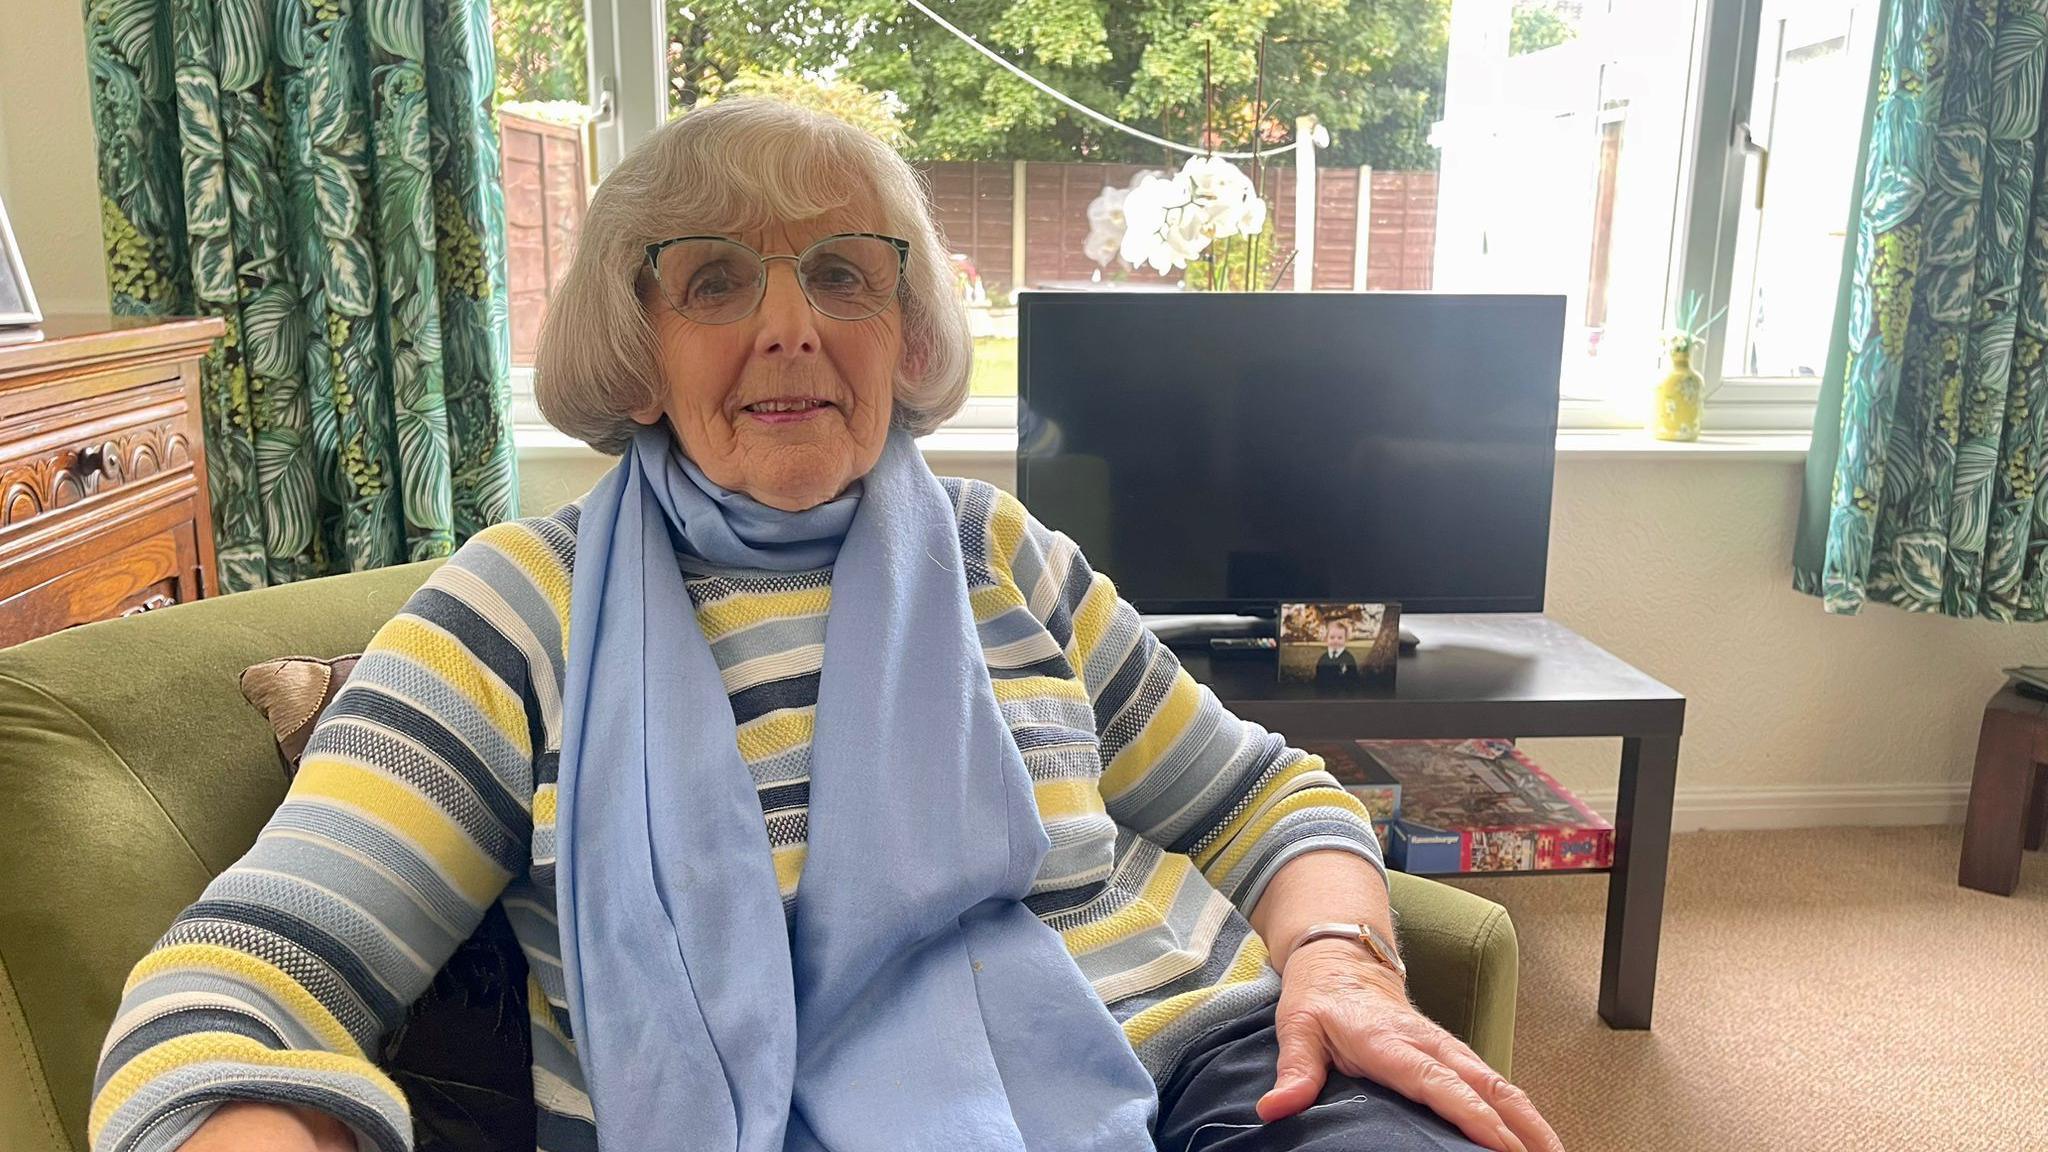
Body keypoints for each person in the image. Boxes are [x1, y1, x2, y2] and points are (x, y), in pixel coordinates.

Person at [89, 99, 1563, 1152]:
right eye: (718, 277)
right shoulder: (510, 610)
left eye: (844, 273)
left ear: (904, 334)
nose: (790, 326)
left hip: (1225, 1071)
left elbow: (1263, 795)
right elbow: (262, 961)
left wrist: (1341, 965)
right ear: (637, 343)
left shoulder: (1004, 552)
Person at [1315, 620, 1362, 686]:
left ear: (1345, 640)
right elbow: (1318, 679)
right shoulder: (1323, 659)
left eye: (1340, 638)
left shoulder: (1348, 659)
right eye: (1332, 637)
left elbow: (1353, 679)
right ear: (1326, 639)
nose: (1335, 641)